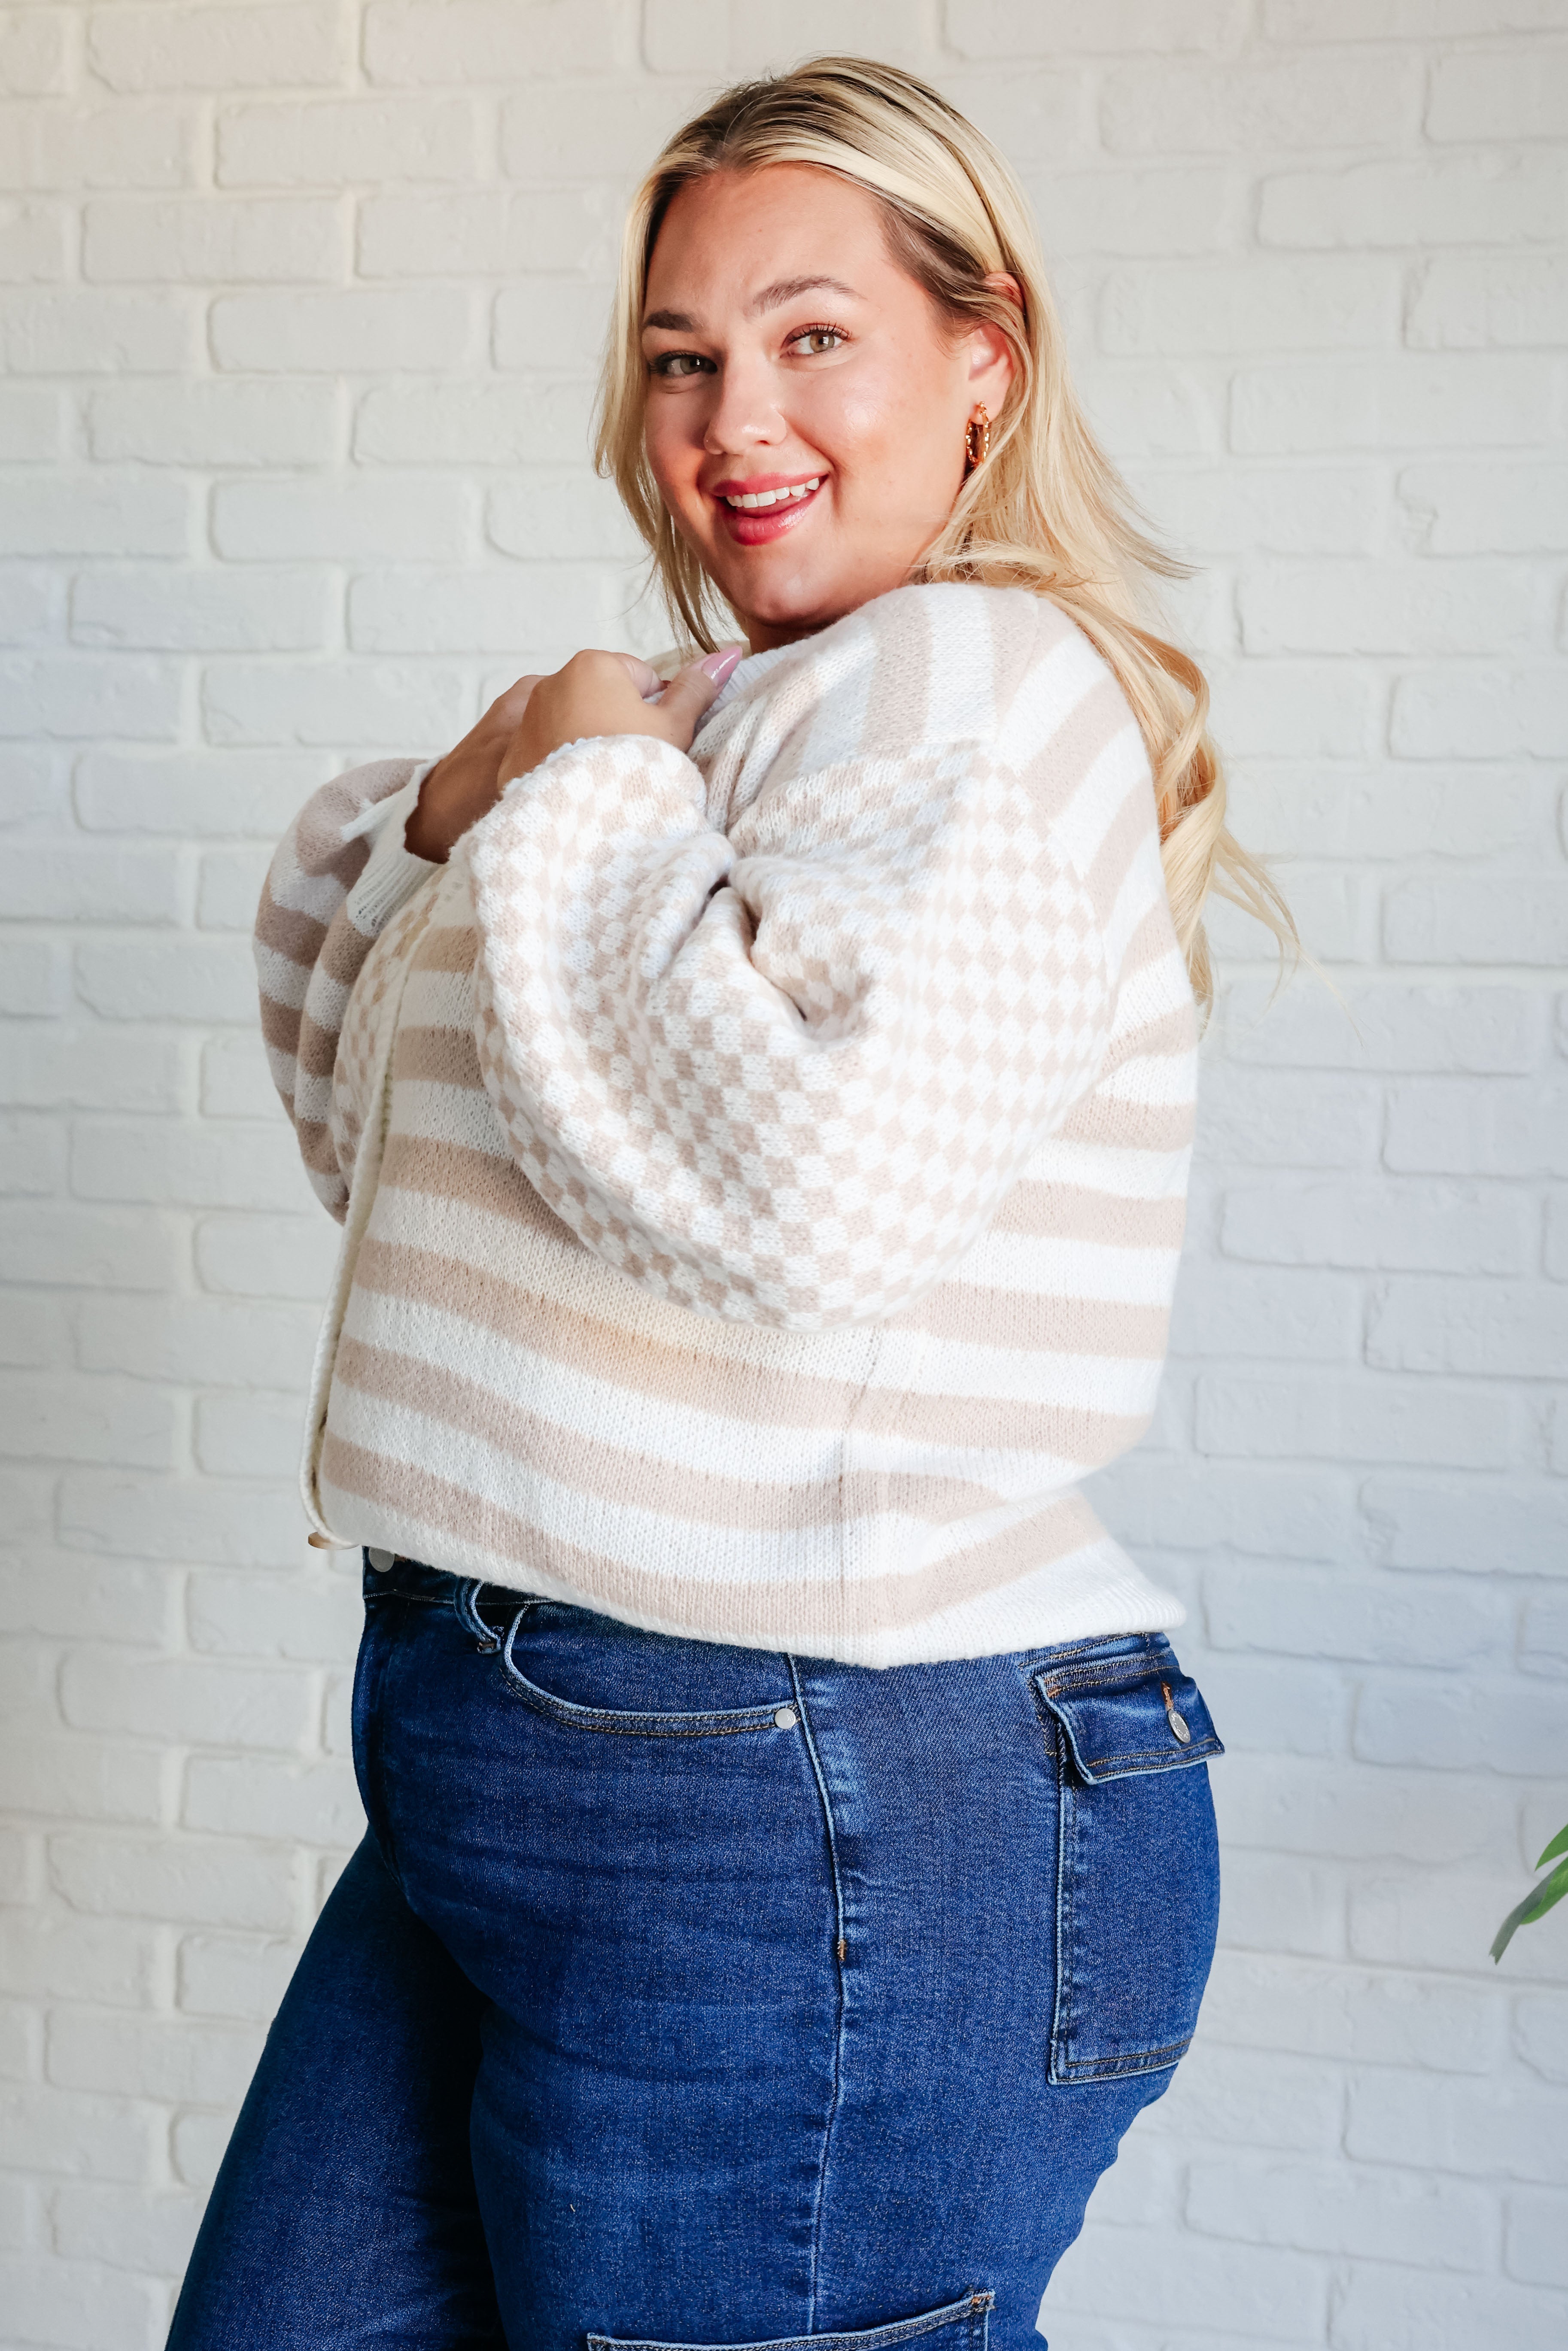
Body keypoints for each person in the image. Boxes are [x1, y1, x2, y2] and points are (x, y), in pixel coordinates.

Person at [170, 56, 1289, 2351]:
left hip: (805, 1777)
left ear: (983, 361)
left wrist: (582, 773)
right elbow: (391, 1136)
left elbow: (802, 1200)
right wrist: (493, 779)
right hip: (555, 1745)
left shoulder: (970, 679)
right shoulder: (731, 711)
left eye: (813, 337)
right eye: (682, 357)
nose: (732, 418)